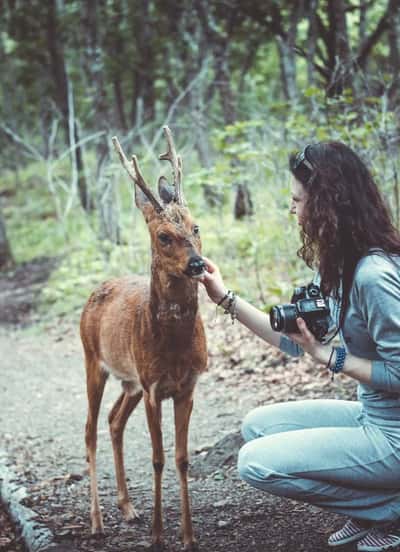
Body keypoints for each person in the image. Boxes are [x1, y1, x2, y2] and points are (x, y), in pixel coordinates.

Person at [199, 141, 400, 552]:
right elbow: (294, 344)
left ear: (327, 204)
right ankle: (375, 507)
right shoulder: (345, 266)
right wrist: (224, 298)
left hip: (395, 437)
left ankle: (387, 508)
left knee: (255, 463)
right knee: (256, 426)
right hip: (372, 416)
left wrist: (331, 357)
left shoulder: (373, 276)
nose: (292, 210)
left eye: (297, 199)